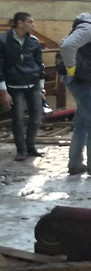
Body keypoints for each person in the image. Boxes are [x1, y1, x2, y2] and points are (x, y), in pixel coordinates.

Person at [59, 2, 91, 178]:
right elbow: (67, 46)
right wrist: (71, 69)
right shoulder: (89, 28)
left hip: (86, 80)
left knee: (82, 123)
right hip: (82, 82)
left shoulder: (89, 26)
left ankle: (74, 164)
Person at [0, 12, 45, 161]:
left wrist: (41, 87)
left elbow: (39, 64)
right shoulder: (3, 40)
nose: (34, 25)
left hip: (33, 84)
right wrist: (3, 91)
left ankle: (31, 146)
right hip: (14, 85)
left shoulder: (33, 41)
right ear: (20, 23)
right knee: (18, 118)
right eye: (30, 22)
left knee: (36, 117)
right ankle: (21, 150)